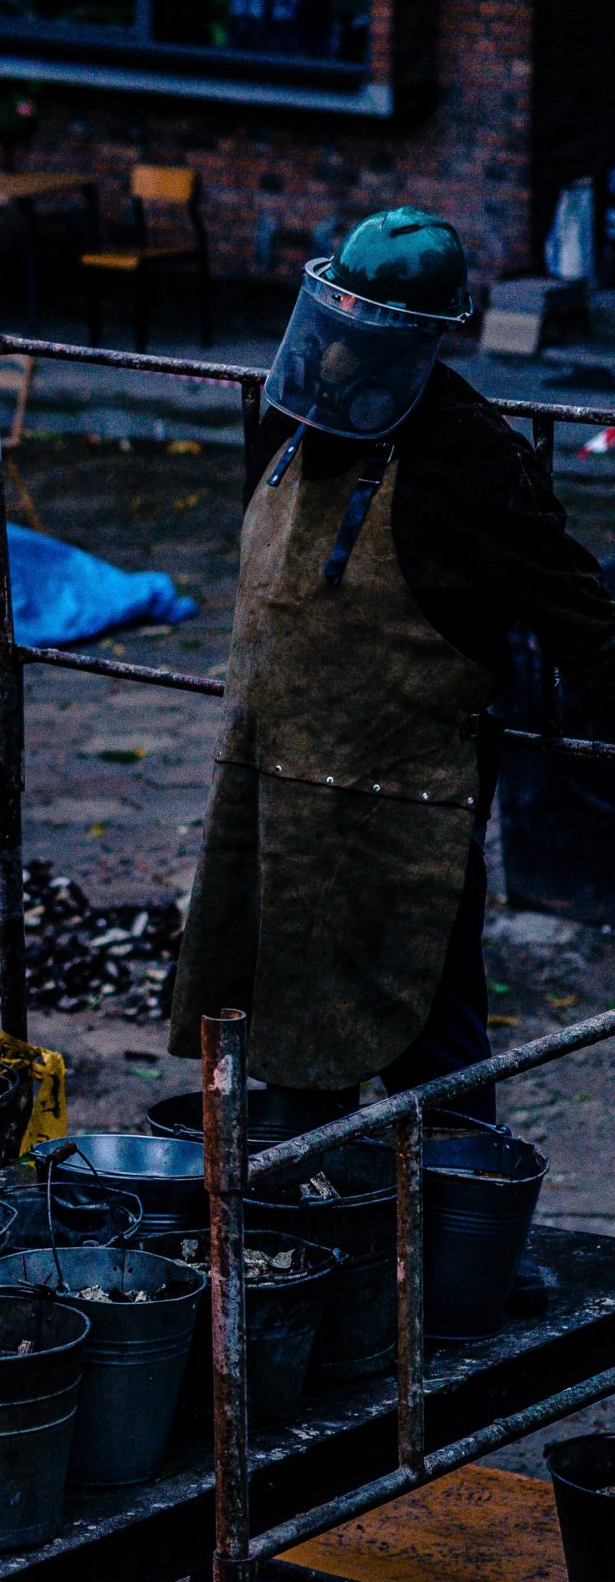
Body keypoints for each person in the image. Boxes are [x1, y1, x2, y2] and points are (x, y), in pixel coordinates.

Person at [170, 208, 615, 1132]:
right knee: (284, 1017)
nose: (344, 349)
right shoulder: (289, 414)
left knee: (431, 1036)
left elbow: (582, 619)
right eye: (338, 321)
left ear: (423, 336)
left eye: (371, 330)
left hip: (405, 809)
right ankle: (305, 1201)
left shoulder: (471, 456)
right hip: (270, 789)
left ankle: (462, 1207)